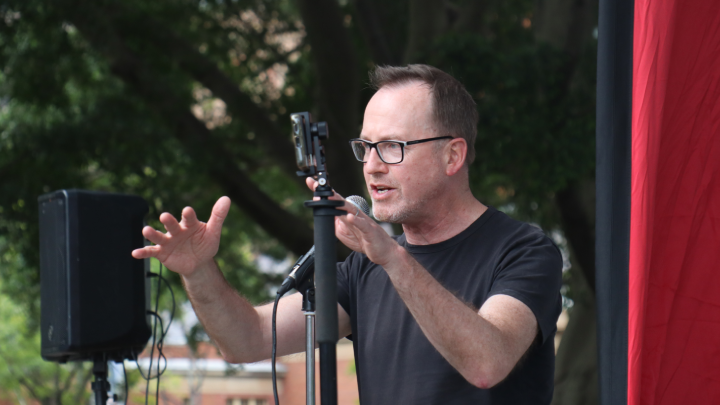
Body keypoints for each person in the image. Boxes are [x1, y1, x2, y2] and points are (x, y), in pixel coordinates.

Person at [132, 64, 562, 404]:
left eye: (392, 147)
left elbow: (487, 363)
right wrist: (199, 271)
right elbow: (247, 340)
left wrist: (393, 259)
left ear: (452, 155)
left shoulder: (524, 251)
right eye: (365, 147)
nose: (372, 166)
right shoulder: (364, 269)